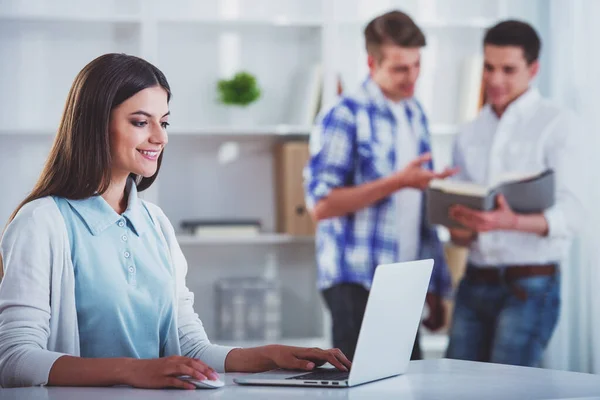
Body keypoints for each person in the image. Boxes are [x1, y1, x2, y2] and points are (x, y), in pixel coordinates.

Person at [0, 53, 351, 389]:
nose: (161, 136)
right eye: (141, 122)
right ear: (94, 124)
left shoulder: (156, 223)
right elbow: (14, 359)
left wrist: (267, 355)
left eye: (164, 122)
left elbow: (191, 349)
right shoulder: (42, 222)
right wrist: (132, 371)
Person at [303, 10, 455, 362]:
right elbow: (321, 205)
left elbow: (419, 210)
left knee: (408, 381)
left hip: (405, 278)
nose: (412, 77)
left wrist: (434, 284)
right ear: (372, 63)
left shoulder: (415, 113)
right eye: (401, 68)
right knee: (361, 385)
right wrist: (397, 182)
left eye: (417, 65)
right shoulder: (344, 114)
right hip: (356, 278)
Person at [445, 20, 583, 366]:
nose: (494, 80)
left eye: (508, 69)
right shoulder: (469, 132)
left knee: (507, 390)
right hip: (474, 283)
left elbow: (574, 214)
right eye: (489, 67)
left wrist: (510, 221)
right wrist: (460, 224)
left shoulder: (559, 124)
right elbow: (461, 234)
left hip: (530, 287)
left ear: (533, 69)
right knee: (454, 387)